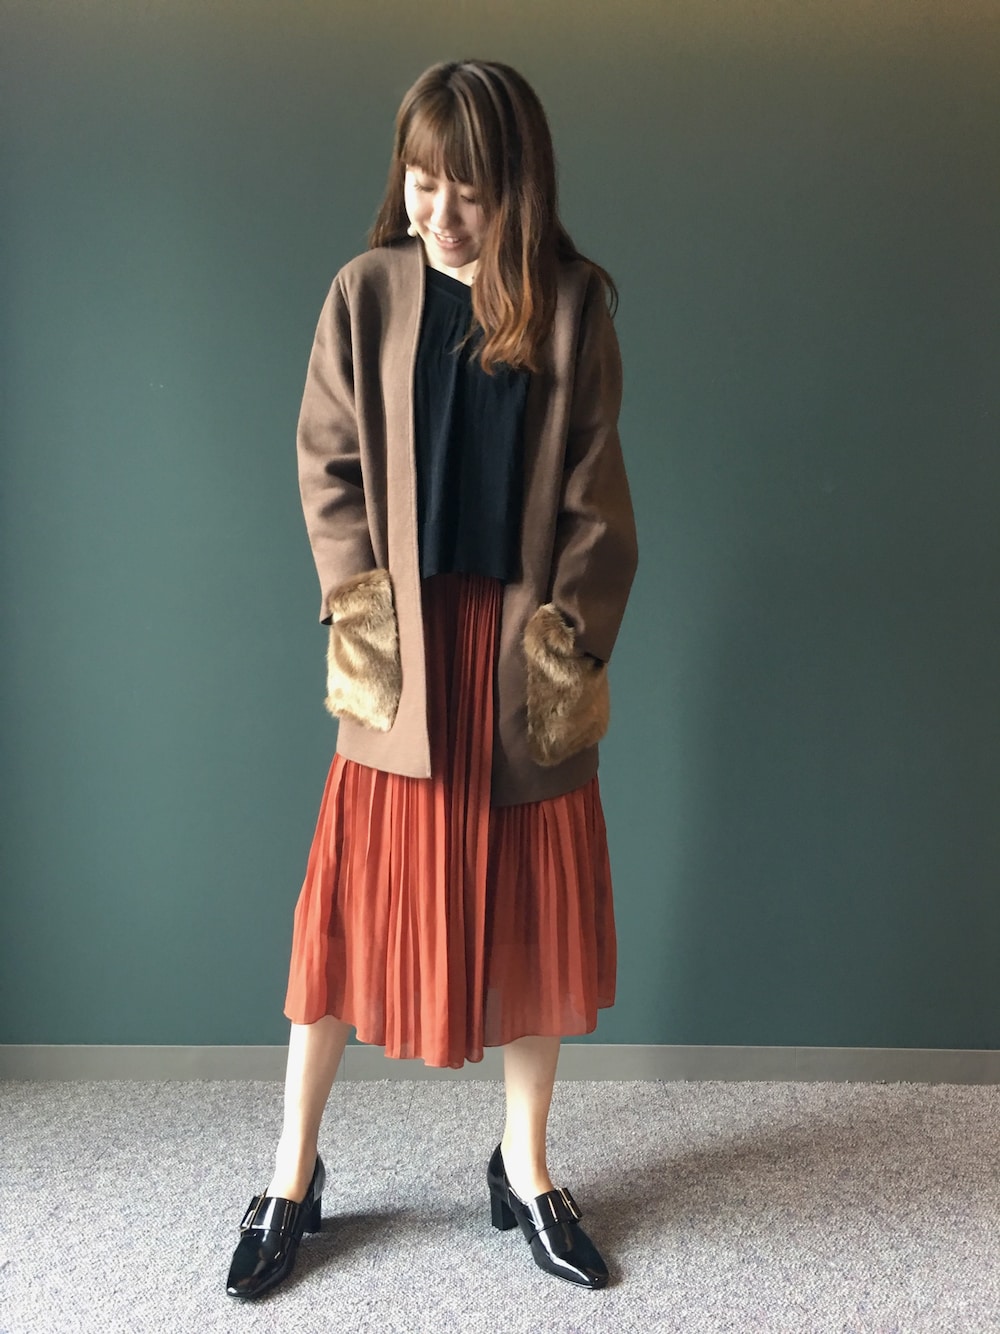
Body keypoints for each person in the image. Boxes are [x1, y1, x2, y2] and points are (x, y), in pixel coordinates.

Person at [225, 58, 638, 1300]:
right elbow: (327, 463)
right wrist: (357, 610)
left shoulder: (570, 304)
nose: (440, 212)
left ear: (517, 188)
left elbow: (595, 490)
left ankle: (526, 1165)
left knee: (533, 903)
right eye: (421, 181)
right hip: (402, 658)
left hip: (517, 653)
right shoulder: (365, 293)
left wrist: (567, 635)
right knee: (344, 907)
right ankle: (291, 1173)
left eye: (467, 188)